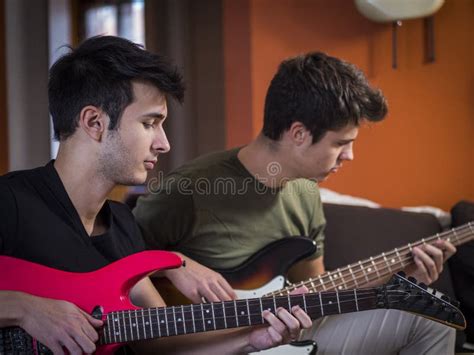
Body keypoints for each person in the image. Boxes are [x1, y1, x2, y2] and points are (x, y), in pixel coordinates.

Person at [0, 35, 313, 355]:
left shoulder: (122, 224)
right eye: (150, 123)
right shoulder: (10, 203)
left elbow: (159, 344)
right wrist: (25, 308)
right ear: (94, 122)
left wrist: (252, 339)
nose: (163, 144)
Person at [134, 52, 458, 354]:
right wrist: (175, 262)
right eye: (341, 143)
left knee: (433, 321)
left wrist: (399, 279)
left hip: (286, 329)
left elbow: (316, 290)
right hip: (212, 340)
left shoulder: (305, 192)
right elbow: (114, 260)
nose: (350, 156)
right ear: (299, 134)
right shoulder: (189, 188)